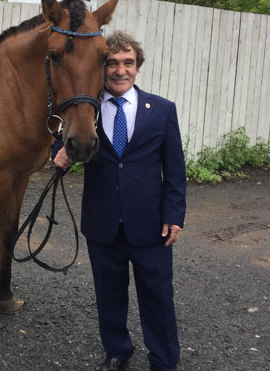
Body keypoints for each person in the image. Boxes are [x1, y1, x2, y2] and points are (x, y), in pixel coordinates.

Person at [53, 31, 186, 371]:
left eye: (128, 63)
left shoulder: (162, 110)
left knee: (157, 297)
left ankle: (164, 359)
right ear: (102, 68)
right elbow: (62, 137)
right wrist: (59, 152)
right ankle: (117, 350)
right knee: (109, 295)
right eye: (112, 63)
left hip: (151, 226)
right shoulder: (87, 108)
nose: (120, 70)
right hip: (103, 223)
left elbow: (175, 171)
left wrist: (174, 215)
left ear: (137, 66)